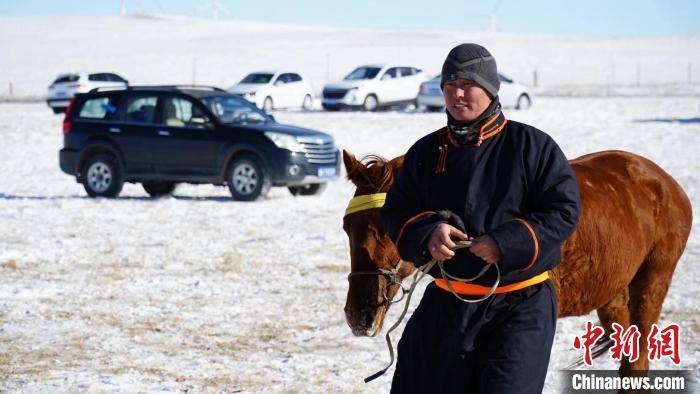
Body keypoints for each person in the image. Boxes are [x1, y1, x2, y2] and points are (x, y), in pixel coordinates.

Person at [380, 43, 581, 393]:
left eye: (466, 85)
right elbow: (397, 210)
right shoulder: (427, 151)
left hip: (519, 304)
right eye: (448, 86)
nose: (456, 94)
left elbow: (563, 211)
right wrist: (428, 231)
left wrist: (505, 242)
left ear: (489, 89)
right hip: (447, 299)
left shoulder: (531, 146)